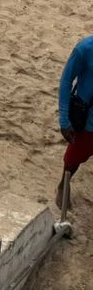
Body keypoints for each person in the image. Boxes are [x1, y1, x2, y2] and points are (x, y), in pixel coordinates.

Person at [57, 35, 93, 208]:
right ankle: (64, 184)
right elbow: (66, 81)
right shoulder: (85, 48)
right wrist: (64, 120)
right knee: (74, 159)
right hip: (88, 120)